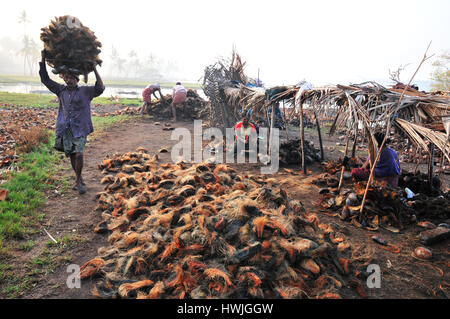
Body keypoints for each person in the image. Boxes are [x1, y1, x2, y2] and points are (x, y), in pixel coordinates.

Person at [39, 50, 105, 194]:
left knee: (79, 153)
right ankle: (79, 178)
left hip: (80, 127)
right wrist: (43, 60)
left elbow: (100, 88)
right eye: (67, 77)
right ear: (65, 79)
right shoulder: (60, 90)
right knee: (73, 154)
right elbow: (45, 79)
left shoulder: (86, 91)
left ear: (77, 79)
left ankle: (77, 180)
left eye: (72, 78)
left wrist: (94, 68)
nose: (69, 80)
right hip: (66, 128)